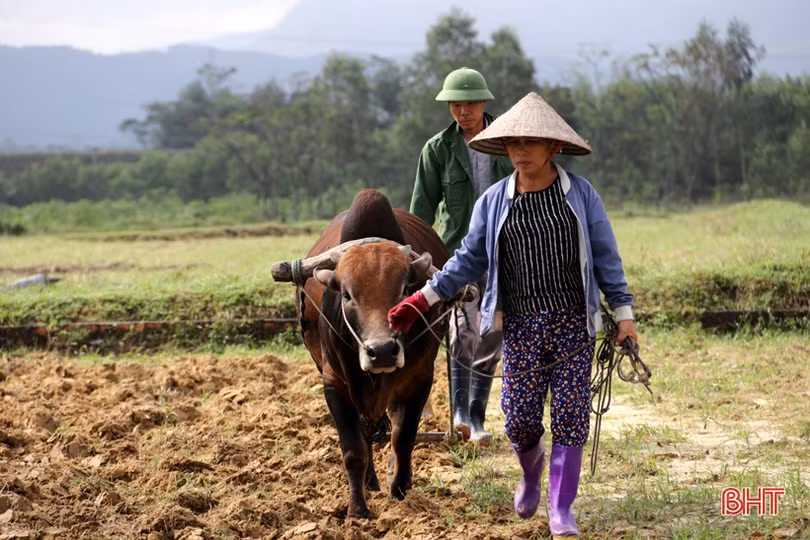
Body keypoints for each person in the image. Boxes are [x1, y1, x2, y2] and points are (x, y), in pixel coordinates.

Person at [390, 92, 638, 539]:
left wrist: (623, 315)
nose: (519, 152)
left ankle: (561, 509)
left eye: (529, 143)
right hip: (521, 325)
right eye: (512, 144)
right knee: (521, 418)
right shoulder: (493, 202)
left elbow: (606, 257)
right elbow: (466, 261)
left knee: (571, 415)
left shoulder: (580, 196)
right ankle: (530, 472)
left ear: (553, 148)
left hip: (571, 323)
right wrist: (421, 299)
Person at [410, 67, 514, 444]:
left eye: (469, 103)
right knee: (460, 331)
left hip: (506, 253)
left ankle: (477, 416)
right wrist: (417, 263)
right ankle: (459, 415)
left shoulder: (509, 141)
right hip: (458, 254)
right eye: (455, 104)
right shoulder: (437, 149)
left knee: (491, 334)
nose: (462, 111)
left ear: (484, 103)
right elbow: (422, 212)